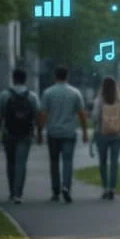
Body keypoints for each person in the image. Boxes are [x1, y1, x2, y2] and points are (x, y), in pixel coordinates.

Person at [0, 69, 42, 204]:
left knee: (10, 163)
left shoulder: (4, 95)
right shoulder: (32, 96)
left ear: (12, 78)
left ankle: (11, 191)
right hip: (26, 134)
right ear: (25, 80)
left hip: (9, 133)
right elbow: (38, 116)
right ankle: (18, 194)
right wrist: (39, 133)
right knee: (21, 163)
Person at [40, 66, 88, 203]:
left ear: (55, 76)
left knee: (54, 162)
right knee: (68, 161)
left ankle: (55, 191)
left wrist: (39, 131)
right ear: (67, 76)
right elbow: (81, 114)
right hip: (69, 133)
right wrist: (84, 132)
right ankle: (66, 186)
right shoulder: (75, 93)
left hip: (53, 132)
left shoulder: (48, 93)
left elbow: (43, 114)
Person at [91, 76, 120, 200]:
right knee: (114, 162)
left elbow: (95, 117)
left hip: (101, 133)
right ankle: (112, 188)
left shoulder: (99, 100)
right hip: (116, 134)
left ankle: (105, 187)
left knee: (102, 162)